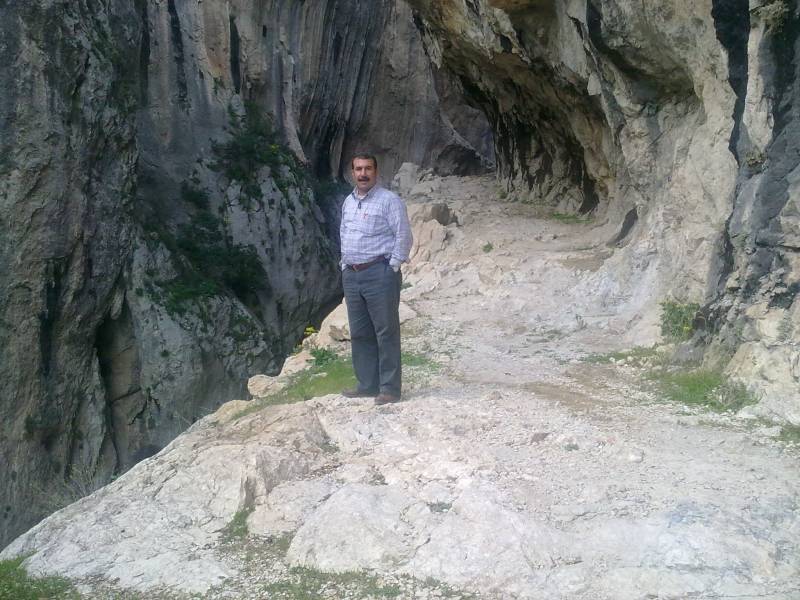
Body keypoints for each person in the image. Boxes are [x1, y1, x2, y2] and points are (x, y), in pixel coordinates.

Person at [339, 153, 413, 405]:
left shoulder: (389, 201)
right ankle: (367, 385)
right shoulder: (348, 202)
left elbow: (403, 235)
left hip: (379, 272)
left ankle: (390, 389)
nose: (363, 174)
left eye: (368, 168)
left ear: (376, 172)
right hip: (352, 274)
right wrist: (344, 265)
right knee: (360, 332)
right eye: (358, 169)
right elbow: (343, 232)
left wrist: (392, 266)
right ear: (352, 173)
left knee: (385, 331)